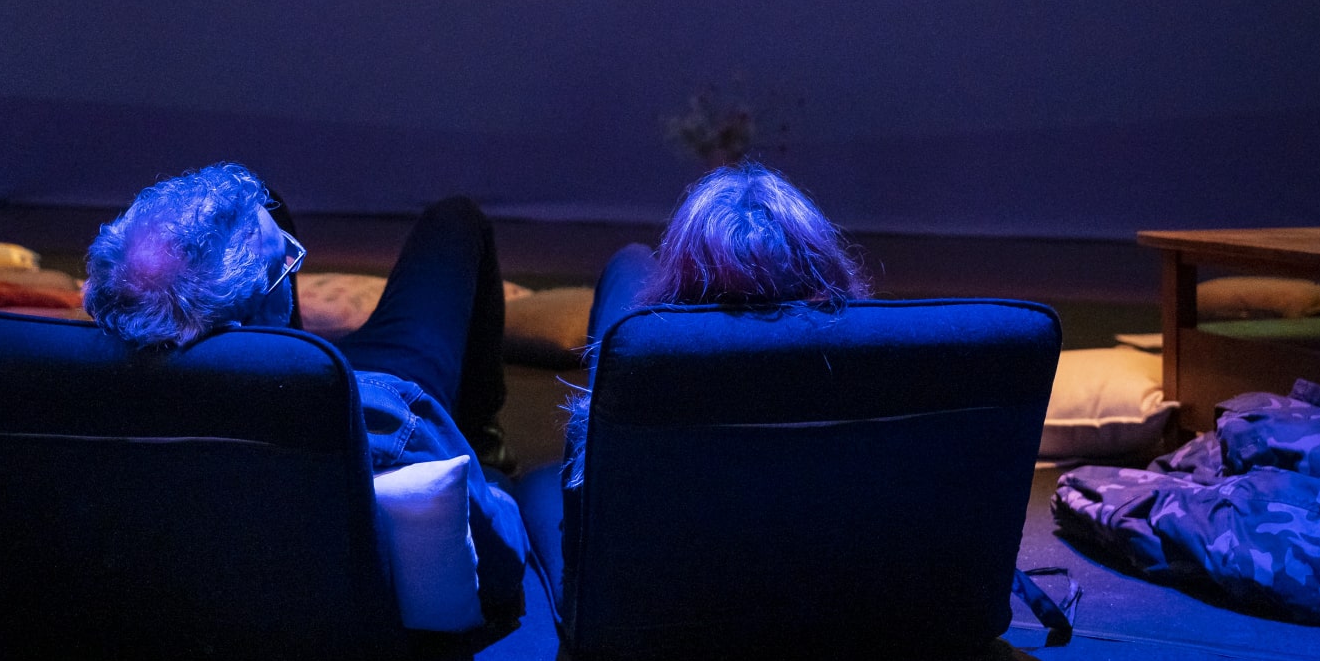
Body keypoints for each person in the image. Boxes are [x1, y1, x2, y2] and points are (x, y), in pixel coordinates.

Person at [81, 162, 527, 610]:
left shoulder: (67, 399)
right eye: (286, 262)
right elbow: (501, 561)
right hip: (372, 386)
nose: (296, 262)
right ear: (247, 322)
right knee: (455, 220)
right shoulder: (389, 420)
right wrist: (490, 484)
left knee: (264, 201)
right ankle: (485, 440)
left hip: (286, 387)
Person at [564, 162, 872, 486]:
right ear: (821, 267)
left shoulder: (643, 355)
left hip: (667, 527)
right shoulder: (880, 357)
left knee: (630, 261)